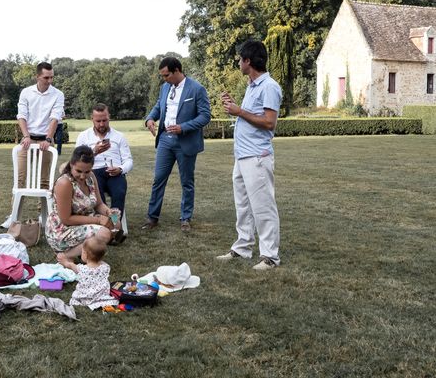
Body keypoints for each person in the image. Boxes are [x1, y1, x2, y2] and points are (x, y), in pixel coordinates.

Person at [215, 40, 282, 270]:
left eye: (240, 59)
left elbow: (269, 122)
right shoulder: (252, 86)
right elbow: (250, 117)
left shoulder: (269, 86)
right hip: (242, 156)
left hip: (257, 157)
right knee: (242, 206)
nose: (238, 63)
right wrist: (235, 107)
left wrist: (239, 111)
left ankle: (270, 257)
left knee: (263, 207)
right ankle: (242, 248)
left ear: (248, 61)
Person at [142, 56, 211, 232]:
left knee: (187, 181)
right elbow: (159, 106)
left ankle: (185, 218)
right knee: (158, 179)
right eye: (163, 76)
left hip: (185, 141)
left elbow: (205, 116)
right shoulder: (165, 87)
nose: (164, 79)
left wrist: (183, 127)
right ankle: (152, 217)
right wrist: (150, 118)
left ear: (177, 71)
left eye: (166, 75)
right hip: (165, 139)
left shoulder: (197, 89)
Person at [45, 146, 123, 260]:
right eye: (79, 171)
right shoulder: (65, 183)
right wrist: (99, 220)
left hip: (83, 221)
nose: (82, 176)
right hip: (62, 230)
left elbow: (99, 204)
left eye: (87, 171)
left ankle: (85, 252)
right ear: (71, 165)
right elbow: (66, 219)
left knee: (116, 223)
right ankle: (65, 256)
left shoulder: (91, 177)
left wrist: (108, 212)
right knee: (104, 233)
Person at [13, 61, 65, 222]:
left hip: (45, 141)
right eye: (46, 77)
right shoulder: (26, 92)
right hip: (28, 140)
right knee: (20, 180)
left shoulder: (58, 94)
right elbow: (22, 115)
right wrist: (26, 136)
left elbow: (55, 118)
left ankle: (44, 216)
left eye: (52, 77)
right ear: (37, 76)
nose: (50, 81)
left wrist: (48, 138)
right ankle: (14, 216)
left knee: (45, 180)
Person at [75, 103, 133, 220]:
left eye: (104, 120)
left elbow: (129, 160)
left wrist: (120, 169)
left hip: (115, 172)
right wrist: (93, 152)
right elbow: (76, 161)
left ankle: (114, 223)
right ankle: (104, 223)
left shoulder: (119, 136)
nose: (102, 124)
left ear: (109, 117)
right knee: (97, 194)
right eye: (98, 121)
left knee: (119, 192)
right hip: (93, 173)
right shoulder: (84, 136)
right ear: (92, 119)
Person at [58, 235, 119, 310]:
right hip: (101, 297)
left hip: (84, 298)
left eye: (82, 252)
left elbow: (70, 265)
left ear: (85, 255)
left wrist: (64, 261)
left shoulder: (82, 269)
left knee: (76, 298)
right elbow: (100, 258)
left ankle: (87, 301)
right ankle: (99, 302)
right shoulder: (106, 267)